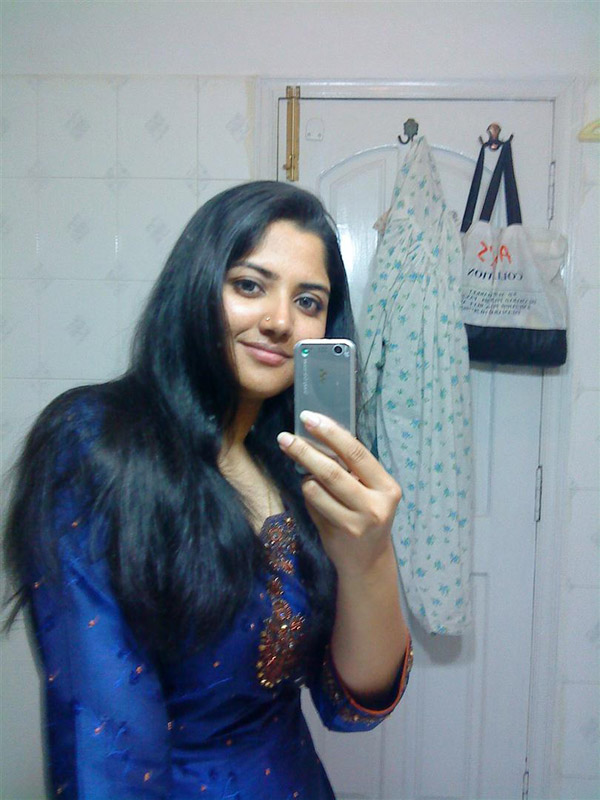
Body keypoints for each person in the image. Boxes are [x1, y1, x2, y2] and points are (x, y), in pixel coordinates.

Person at [3, 181, 412, 799]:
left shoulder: (293, 469)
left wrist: (370, 559)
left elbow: (349, 708)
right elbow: (105, 741)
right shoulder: (96, 443)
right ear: (195, 287)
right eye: (249, 285)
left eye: (308, 301)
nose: (279, 321)